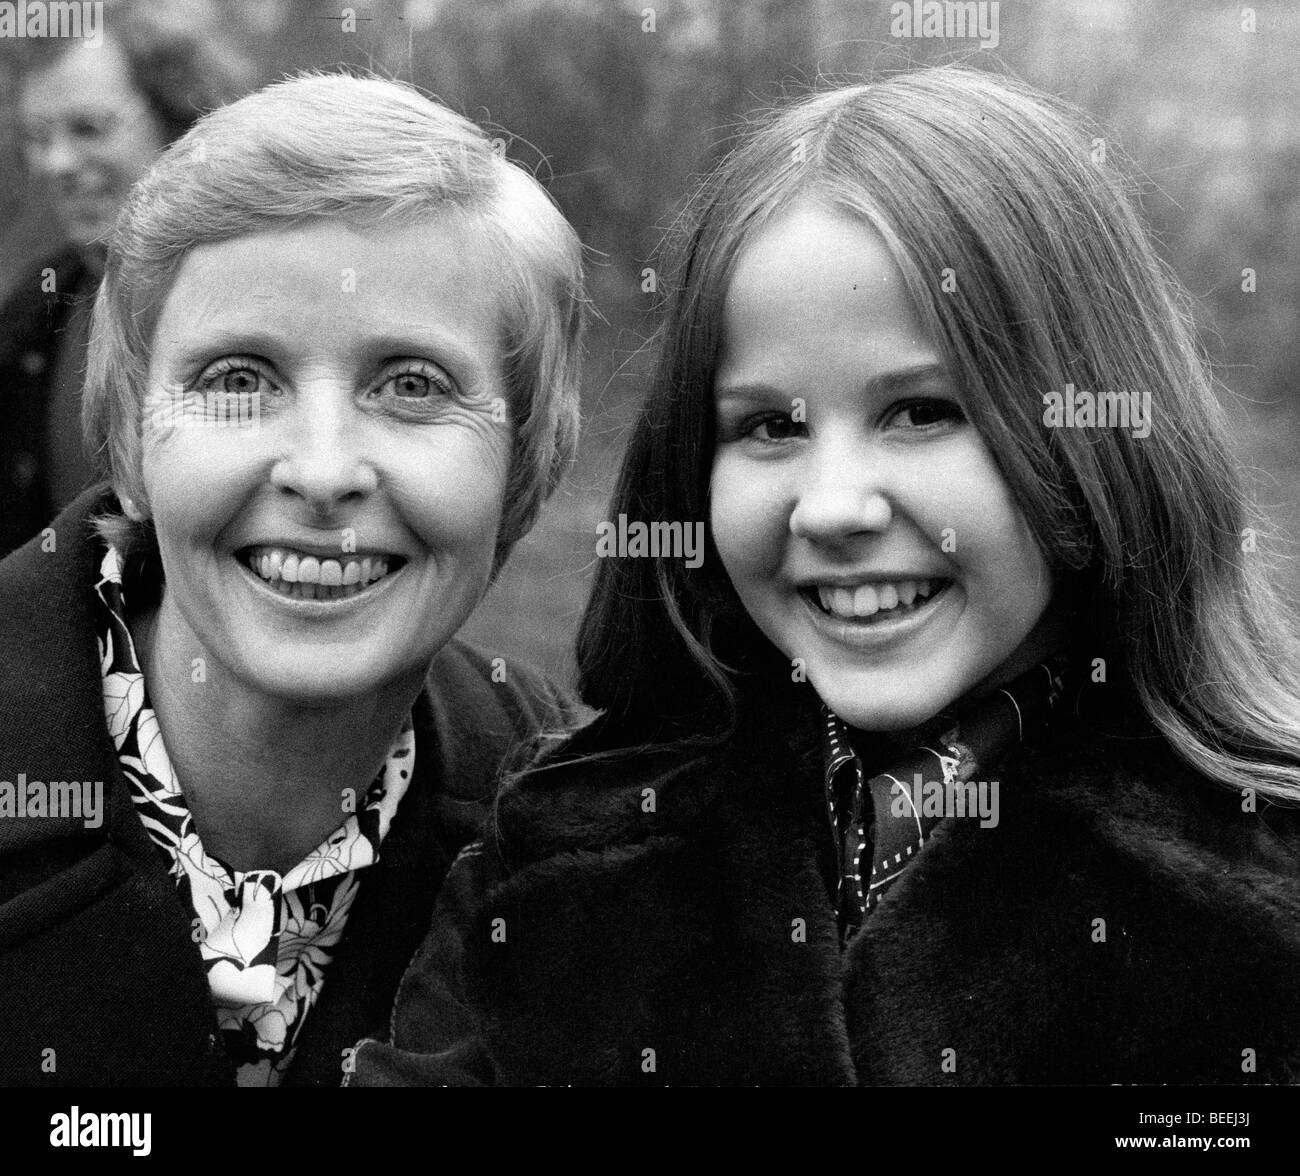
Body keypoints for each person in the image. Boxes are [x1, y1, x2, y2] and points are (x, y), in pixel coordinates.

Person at [351, 66, 1300, 1087]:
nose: (834, 504)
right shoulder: (554, 849)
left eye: (922, 412)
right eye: (769, 426)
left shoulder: (1251, 907)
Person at [0, 70, 586, 1086]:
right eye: (238, 382)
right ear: (133, 450)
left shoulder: (573, 846)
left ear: (523, 471)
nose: (321, 472)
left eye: (412, 386)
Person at [0, 0, 253, 556]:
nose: (56, 163)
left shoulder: (263, 295)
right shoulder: (32, 317)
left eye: (88, 128)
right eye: (38, 136)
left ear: (178, 119)